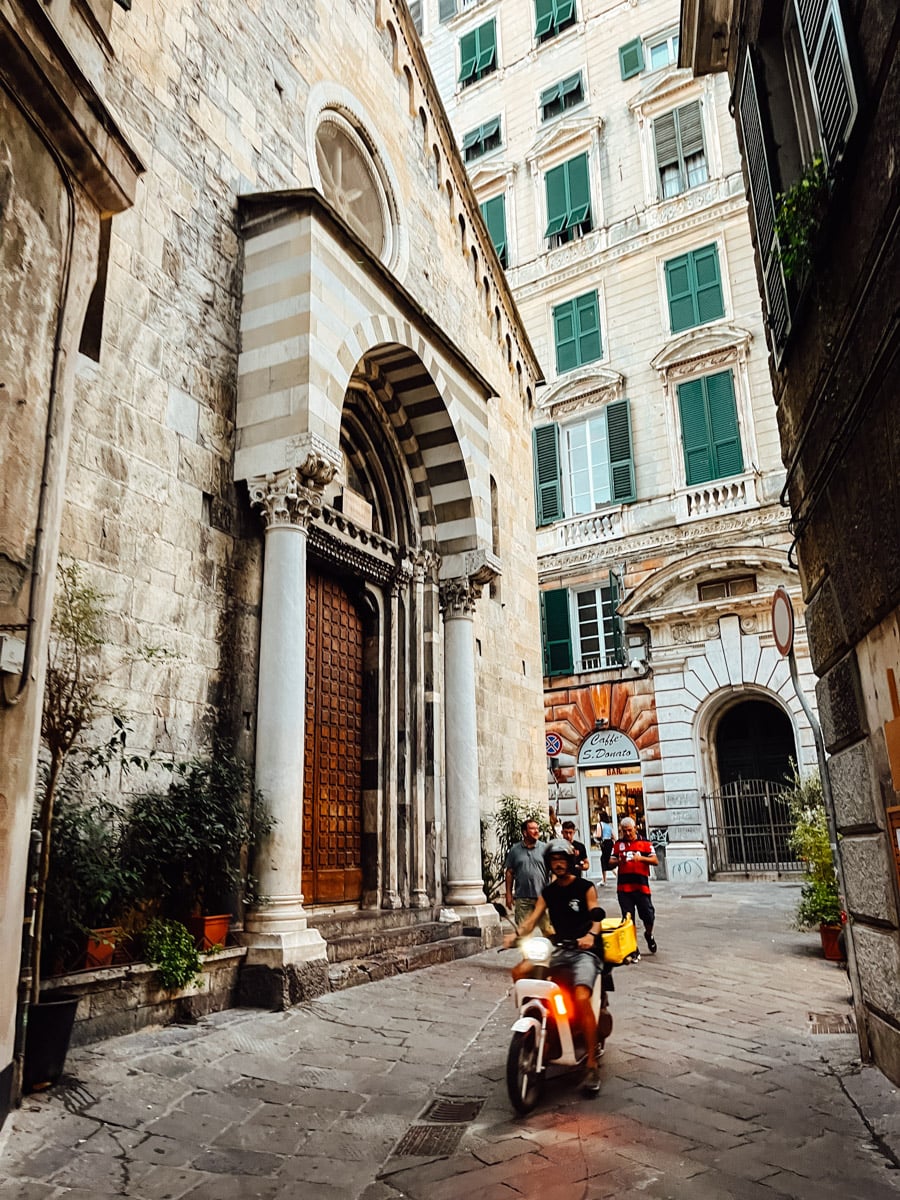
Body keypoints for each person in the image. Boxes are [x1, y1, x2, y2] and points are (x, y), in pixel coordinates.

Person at [505, 839, 606, 1093]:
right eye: (553, 860)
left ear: (570, 861)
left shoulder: (585, 887)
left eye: (561, 859)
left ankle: (592, 1064)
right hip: (559, 948)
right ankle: (538, 1025)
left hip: (584, 951)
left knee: (582, 996)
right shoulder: (548, 892)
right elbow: (532, 919)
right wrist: (517, 935)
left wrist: (591, 935)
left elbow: (596, 916)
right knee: (521, 971)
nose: (557, 864)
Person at [608, 816, 658, 955]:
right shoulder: (618, 844)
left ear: (635, 828)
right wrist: (618, 860)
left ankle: (649, 934)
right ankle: (633, 947)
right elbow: (610, 862)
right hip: (624, 888)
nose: (627, 834)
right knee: (628, 919)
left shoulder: (645, 843)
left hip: (641, 886)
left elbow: (655, 860)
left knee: (649, 916)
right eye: (624, 831)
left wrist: (640, 858)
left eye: (629, 830)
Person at [504, 819, 550, 933]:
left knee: (548, 931)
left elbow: (553, 871)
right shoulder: (515, 850)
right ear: (524, 832)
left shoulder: (545, 849)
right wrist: (508, 894)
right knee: (523, 932)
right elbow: (509, 872)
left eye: (537, 829)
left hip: (542, 898)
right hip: (522, 899)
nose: (536, 831)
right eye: (532, 829)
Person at [595, 810, 614, 885]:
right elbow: (613, 835)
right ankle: (604, 879)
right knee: (606, 859)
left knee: (604, 860)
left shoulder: (599, 824)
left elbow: (599, 835)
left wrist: (594, 835)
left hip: (605, 843)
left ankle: (606, 879)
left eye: (598, 815)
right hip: (609, 842)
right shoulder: (608, 825)